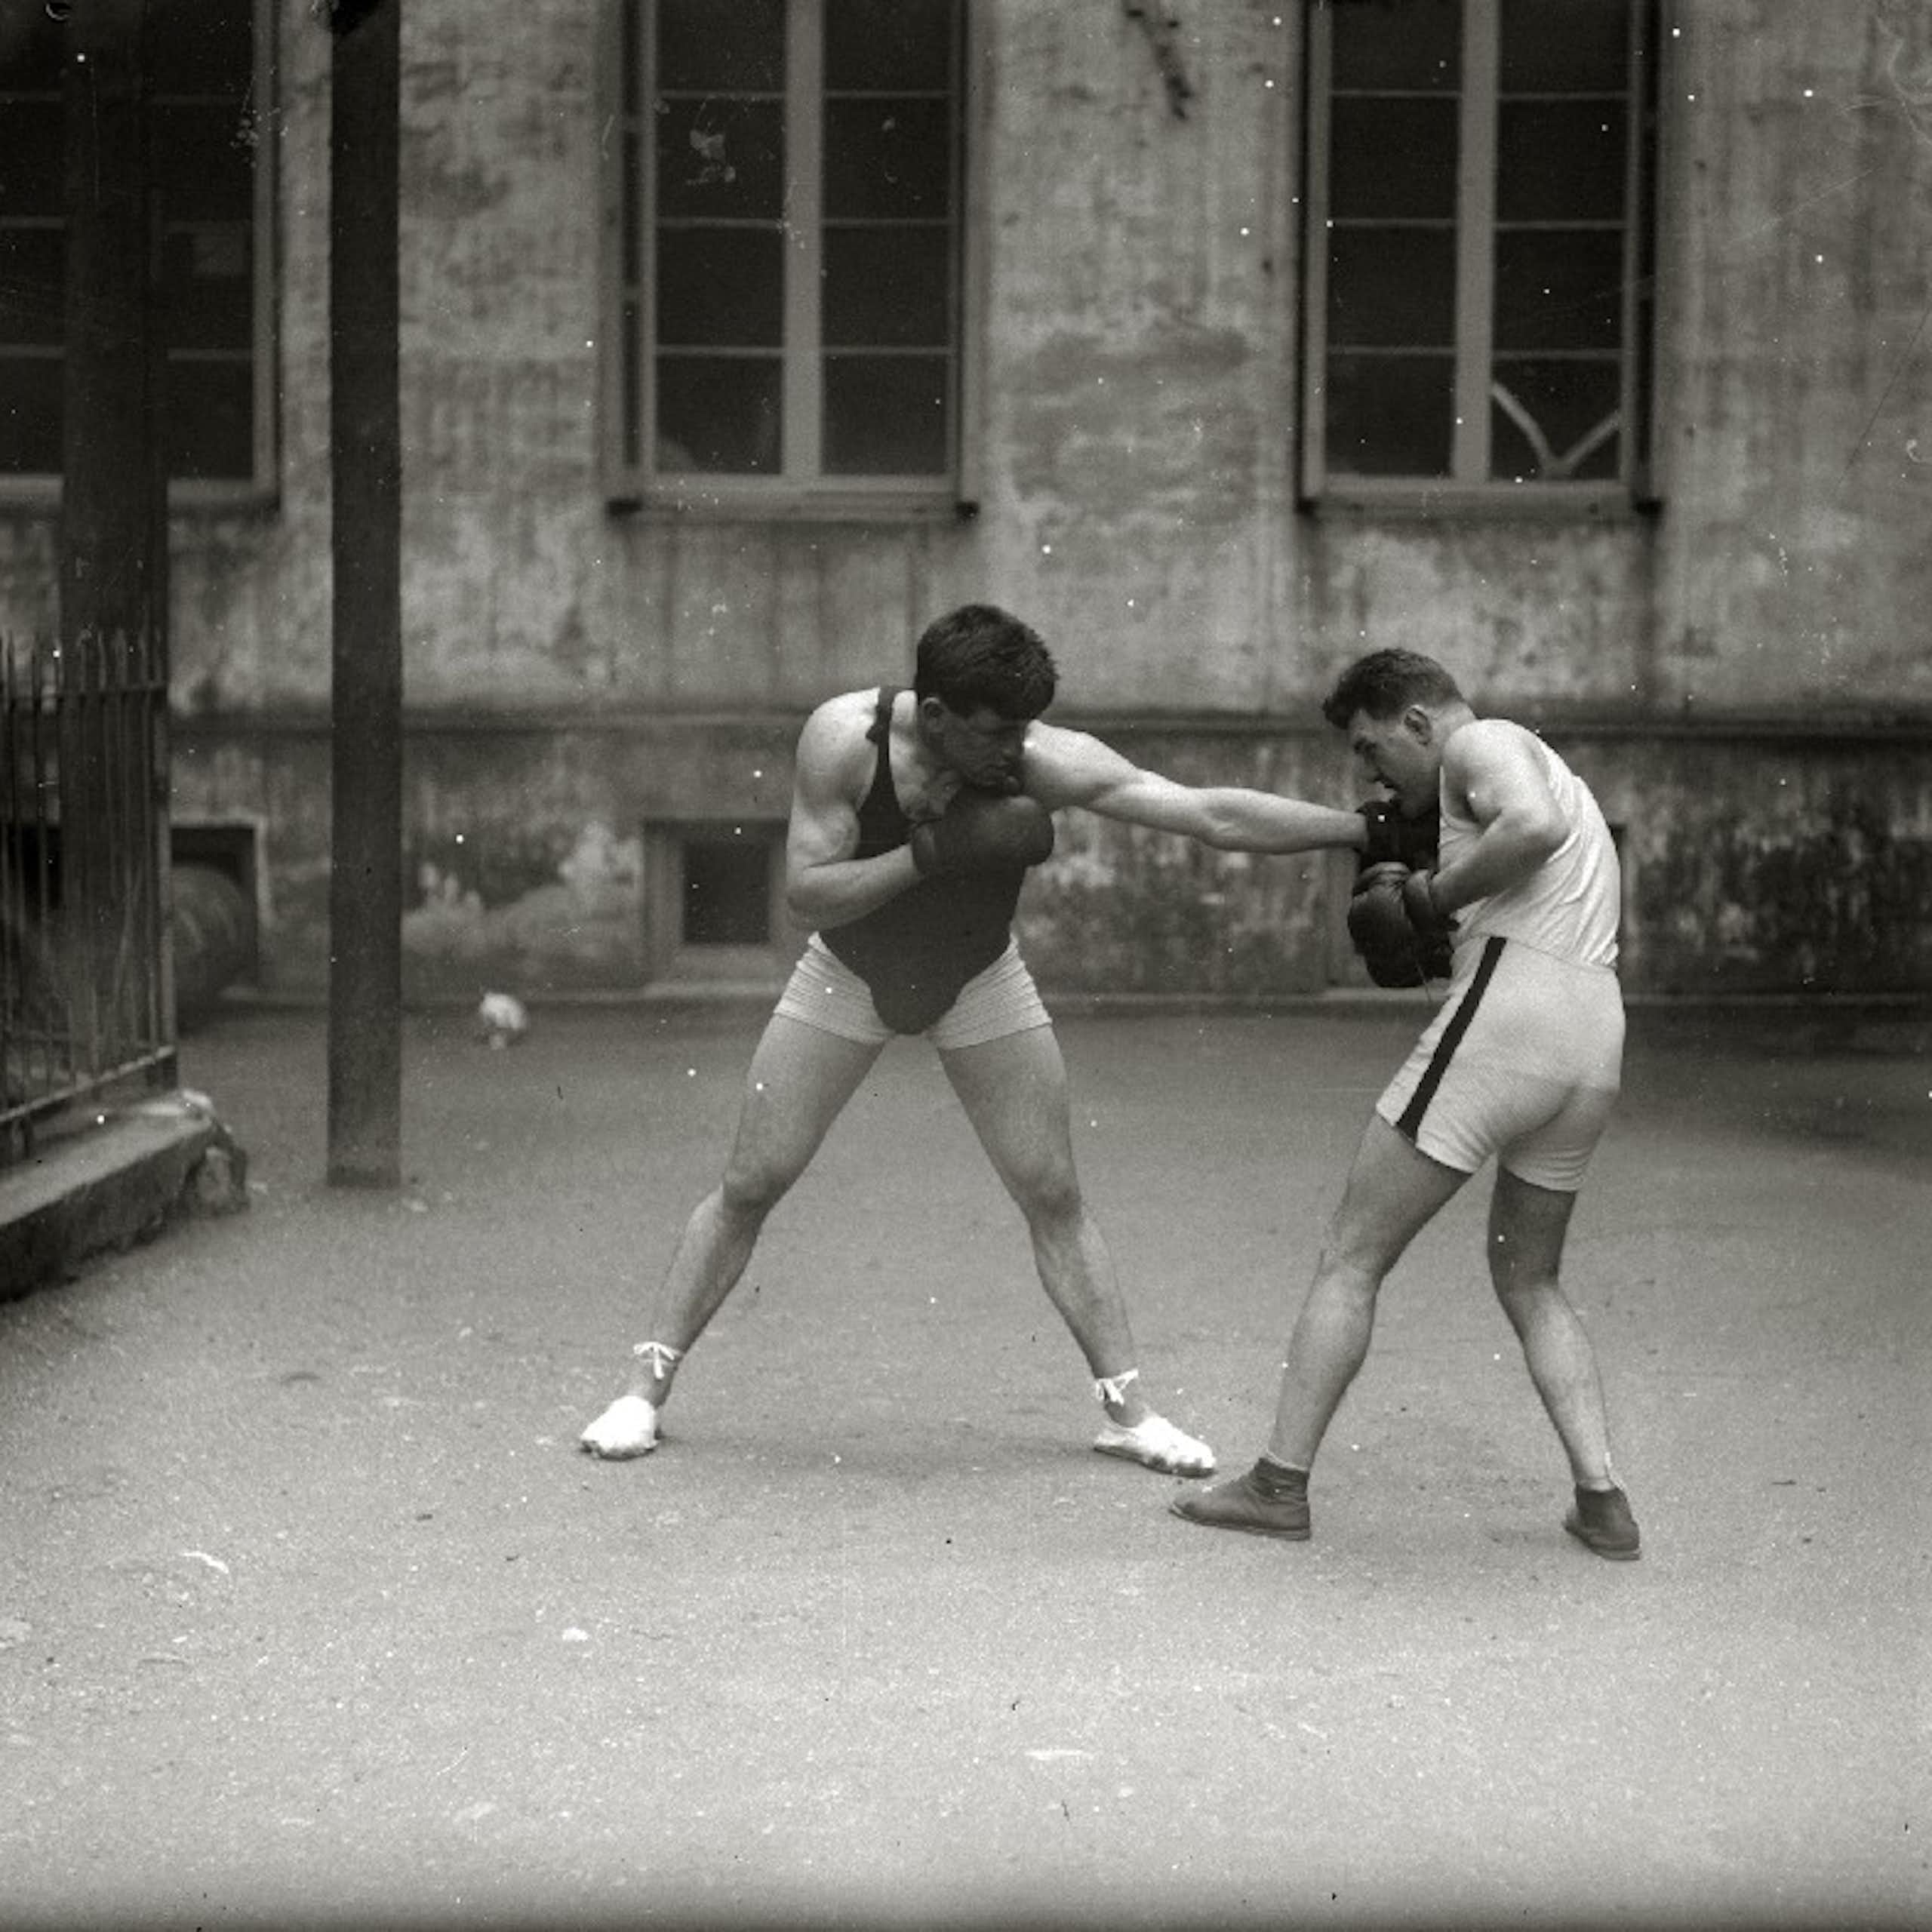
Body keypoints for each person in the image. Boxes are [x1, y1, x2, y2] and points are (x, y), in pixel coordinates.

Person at [580, 603, 1376, 1478]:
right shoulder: (844, 741)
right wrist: (929, 854)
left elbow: (1203, 814)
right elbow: (807, 892)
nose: (1014, 750)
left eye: (1024, 729)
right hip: (847, 974)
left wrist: (1359, 828)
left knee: (1052, 1191)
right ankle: (639, 1393)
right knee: (750, 1182)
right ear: (934, 717)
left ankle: (1128, 1413)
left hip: (979, 977)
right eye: (996, 731)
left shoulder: (1039, 761)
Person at [1171, 648, 1641, 1558]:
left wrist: (1429, 898)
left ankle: (1276, 1487)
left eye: (1370, 746)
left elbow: (1530, 828)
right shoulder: (1546, 770)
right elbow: (1538, 848)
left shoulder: (1483, 744)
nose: (1368, 770)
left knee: (1351, 1253)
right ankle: (1603, 1499)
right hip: (1594, 1038)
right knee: (1530, 1275)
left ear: (1419, 723)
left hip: (1514, 1021)